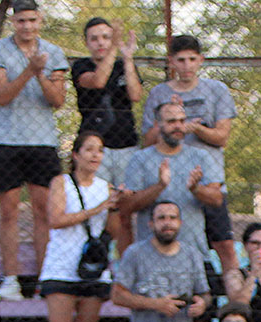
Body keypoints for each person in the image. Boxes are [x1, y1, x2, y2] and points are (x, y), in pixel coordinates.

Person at [0, 0, 68, 301]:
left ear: (40, 20)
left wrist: (41, 74)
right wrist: (29, 71)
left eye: (32, 20)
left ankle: (46, 280)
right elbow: (3, 95)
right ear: (13, 22)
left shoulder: (53, 52)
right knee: (8, 211)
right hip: (7, 140)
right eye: (21, 21)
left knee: (44, 211)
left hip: (42, 142)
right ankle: (11, 279)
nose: (27, 26)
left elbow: (58, 100)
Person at [140, 34, 239, 279]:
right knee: (177, 244)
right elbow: (147, 140)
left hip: (209, 180)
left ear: (201, 60)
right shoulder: (159, 94)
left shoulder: (216, 90)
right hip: (173, 183)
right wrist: (169, 116)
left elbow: (222, 137)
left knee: (224, 244)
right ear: (171, 61)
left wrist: (196, 128)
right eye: (180, 60)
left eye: (192, 59)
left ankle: (235, 304)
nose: (186, 66)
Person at [120, 100, 223, 306]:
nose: (178, 126)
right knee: (155, 316)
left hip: (194, 253)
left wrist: (196, 189)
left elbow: (217, 199)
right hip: (151, 258)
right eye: (171, 121)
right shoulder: (140, 159)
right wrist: (159, 186)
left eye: (182, 121)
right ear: (158, 125)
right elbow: (127, 207)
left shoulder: (200, 156)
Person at [38, 132, 117, 322]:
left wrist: (117, 206)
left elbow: (113, 230)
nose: (95, 155)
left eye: (100, 150)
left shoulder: (106, 188)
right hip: (62, 267)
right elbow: (56, 219)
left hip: (92, 268)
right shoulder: (62, 183)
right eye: (90, 149)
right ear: (76, 155)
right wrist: (97, 209)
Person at [71, 18, 140, 251]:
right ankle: (96, 263)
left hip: (126, 146)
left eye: (106, 37)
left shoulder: (123, 65)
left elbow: (136, 94)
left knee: (126, 211)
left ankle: (124, 267)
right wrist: (112, 51)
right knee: (97, 209)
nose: (101, 43)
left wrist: (128, 58)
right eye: (95, 38)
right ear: (87, 42)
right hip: (95, 149)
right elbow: (98, 81)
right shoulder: (81, 66)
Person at [111, 201, 210, 322]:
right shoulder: (135, 253)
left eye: (172, 218)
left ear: (180, 223)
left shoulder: (192, 255)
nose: (167, 223)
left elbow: (204, 294)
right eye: (161, 218)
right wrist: (156, 304)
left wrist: (202, 304)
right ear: (151, 224)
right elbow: (117, 295)